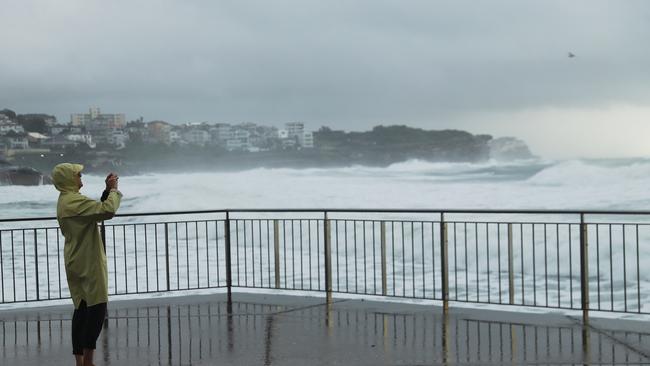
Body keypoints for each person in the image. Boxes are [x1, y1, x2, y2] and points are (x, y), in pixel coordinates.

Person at [52, 163, 122, 366]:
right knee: (97, 307)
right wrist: (115, 191)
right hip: (88, 261)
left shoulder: (65, 200)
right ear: (68, 179)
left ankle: (80, 360)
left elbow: (93, 212)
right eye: (77, 174)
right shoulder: (73, 201)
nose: (80, 176)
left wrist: (107, 191)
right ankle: (88, 362)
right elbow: (107, 211)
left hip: (75, 259)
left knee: (82, 308)